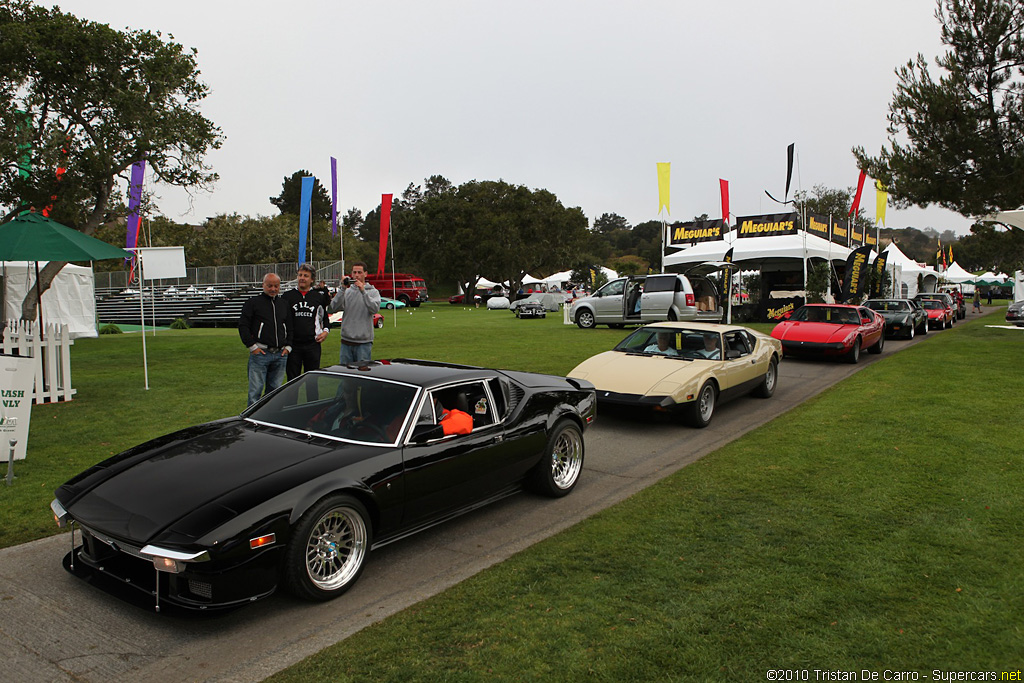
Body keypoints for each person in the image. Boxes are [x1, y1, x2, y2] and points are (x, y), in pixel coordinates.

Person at [239, 273, 293, 406]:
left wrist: (288, 347)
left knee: (274, 391)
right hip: (261, 354)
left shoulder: (284, 304)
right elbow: (243, 325)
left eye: (276, 286)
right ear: (263, 285)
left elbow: (290, 327)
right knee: (255, 391)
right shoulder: (253, 303)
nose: (273, 289)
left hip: (280, 354)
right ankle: (251, 421)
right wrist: (252, 346)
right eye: (269, 286)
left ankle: (268, 418)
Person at [282, 263, 331, 381]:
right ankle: (293, 400)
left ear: (312, 279)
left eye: (306, 276)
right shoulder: (287, 296)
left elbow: (325, 318)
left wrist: (325, 332)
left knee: (312, 380)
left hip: (312, 344)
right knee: (293, 381)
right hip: (293, 345)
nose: (302, 278)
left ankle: (312, 401)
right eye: (300, 275)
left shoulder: (317, 297)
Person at [328, 261, 381, 364]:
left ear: (365, 274)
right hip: (346, 342)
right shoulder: (347, 292)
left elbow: (374, 309)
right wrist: (342, 289)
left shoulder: (373, 292)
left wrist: (363, 291)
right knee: (345, 375)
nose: (356, 275)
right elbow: (332, 308)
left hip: (363, 343)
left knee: (361, 375)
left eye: (359, 272)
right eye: (354, 272)